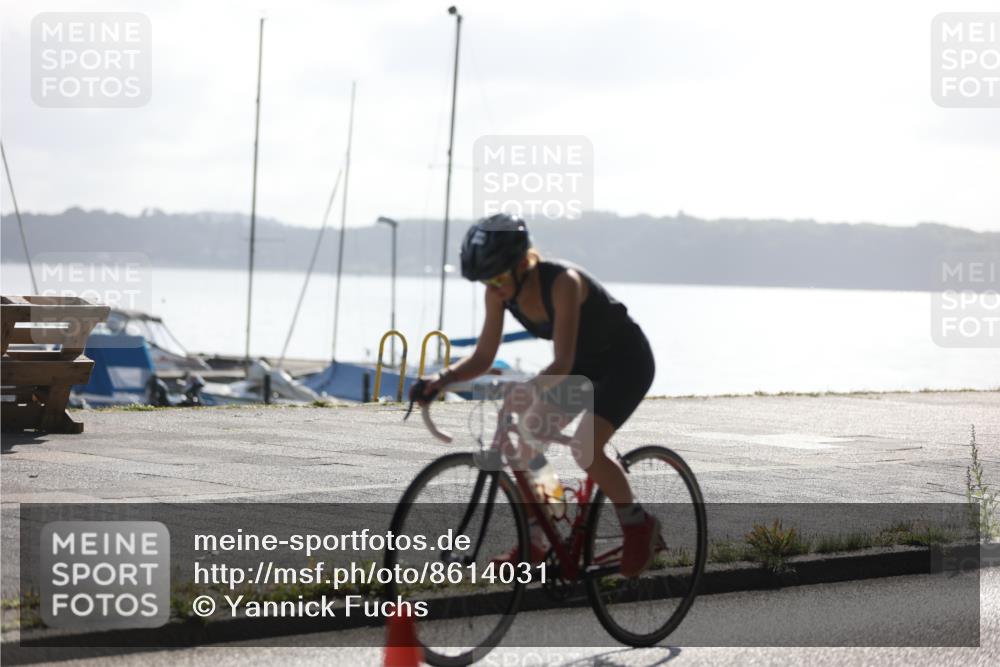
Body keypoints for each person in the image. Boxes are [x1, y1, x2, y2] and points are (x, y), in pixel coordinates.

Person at [415, 212, 661, 577]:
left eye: (498, 278)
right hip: (583, 366)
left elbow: (561, 363)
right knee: (528, 441)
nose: (493, 288)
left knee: (585, 448)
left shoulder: (563, 283)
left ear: (522, 263)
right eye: (485, 281)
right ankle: (541, 536)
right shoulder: (498, 294)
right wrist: (442, 378)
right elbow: (483, 356)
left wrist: (527, 389)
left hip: (625, 362)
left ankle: (638, 524)